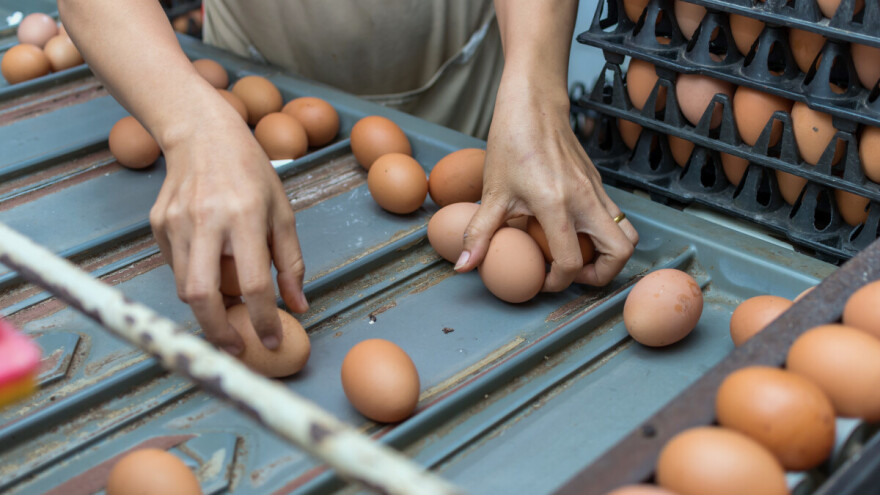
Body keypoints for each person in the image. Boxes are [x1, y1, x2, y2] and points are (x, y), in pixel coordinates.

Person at [58, 0, 638, 355]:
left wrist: (537, 89)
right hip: (260, 72)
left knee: (458, 178)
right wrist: (190, 123)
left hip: (464, 77)